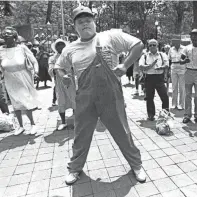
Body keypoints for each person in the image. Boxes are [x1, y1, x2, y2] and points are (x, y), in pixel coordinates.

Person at [55, 6, 146, 185]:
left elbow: (138, 45)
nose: (85, 24)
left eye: (88, 20)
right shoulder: (70, 49)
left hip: (111, 97)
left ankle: (136, 165)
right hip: (85, 98)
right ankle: (75, 168)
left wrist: (125, 65)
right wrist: (64, 75)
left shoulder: (110, 37)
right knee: (81, 134)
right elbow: (58, 66)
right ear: (75, 27)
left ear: (94, 21)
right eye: (80, 22)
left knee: (122, 132)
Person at [0, 26, 39, 135]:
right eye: (4, 36)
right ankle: (20, 126)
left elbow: (34, 61)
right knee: (15, 102)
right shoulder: (1, 50)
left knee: (26, 100)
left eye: (8, 36)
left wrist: (35, 72)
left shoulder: (22, 48)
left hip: (23, 77)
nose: (6, 37)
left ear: (14, 37)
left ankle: (33, 124)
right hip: (9, 78)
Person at [139, 39, 169, 121]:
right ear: (148, 46)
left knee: (165, 97)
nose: (152, 46)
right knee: (149, 98)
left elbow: (166, 64)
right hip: (149, 78)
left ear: (157, 46)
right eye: (150, 45)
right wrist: (151, 65)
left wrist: (161, 67)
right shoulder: (144, 56)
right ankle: (151, 115)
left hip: (159, 78)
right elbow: (141, 66)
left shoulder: (162, 55)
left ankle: (165, 114)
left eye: (154, 45)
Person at [49, 39, 75, 130]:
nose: (60, 47)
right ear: (55, 48)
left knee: (74, 99)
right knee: (61, 101)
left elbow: (75, 66)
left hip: (71, 81)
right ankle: (63, 122)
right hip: (60, 83)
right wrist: (56, 70)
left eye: (62, 45)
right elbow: (51, 70)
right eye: (58, 45)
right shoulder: (52, 58)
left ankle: (76, 120)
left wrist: (70, 70)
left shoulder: (70, 56)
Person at [181, 29, 197, 123]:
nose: (194, 37)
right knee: (188, 95)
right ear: (190, 37)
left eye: (196, 36)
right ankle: (187, 115)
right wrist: (184, 61)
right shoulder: (186, 48)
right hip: (188, 72)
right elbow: (181, 60)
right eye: (193, 36)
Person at [168, 36, 185, 110]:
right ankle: (174, 104)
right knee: (174, 87)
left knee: (182, 88)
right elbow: (169, 60)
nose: (175, 43)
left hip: (182, 68)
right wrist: (168, 70)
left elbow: (187, 59)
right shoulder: (171, 49)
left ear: (180, 41)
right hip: (173, 68)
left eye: (177, 41)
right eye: (174, 42)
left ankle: (181, 104)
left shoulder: (184, 49)